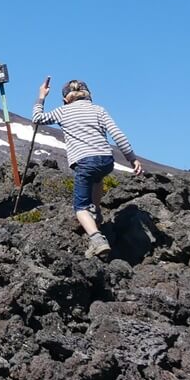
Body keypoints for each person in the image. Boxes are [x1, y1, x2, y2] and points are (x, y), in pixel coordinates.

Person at [32, 78, 143, 257]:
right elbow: (118, 135)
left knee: (80, 207)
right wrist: (132, 159)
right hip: (106, 160)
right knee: (97, 178)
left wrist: (41, 96)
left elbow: (37, 118)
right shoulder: (99, 110)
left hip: (84, 161)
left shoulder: (63, 111)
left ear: (66, 98)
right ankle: (97, 213)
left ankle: (97, 238)